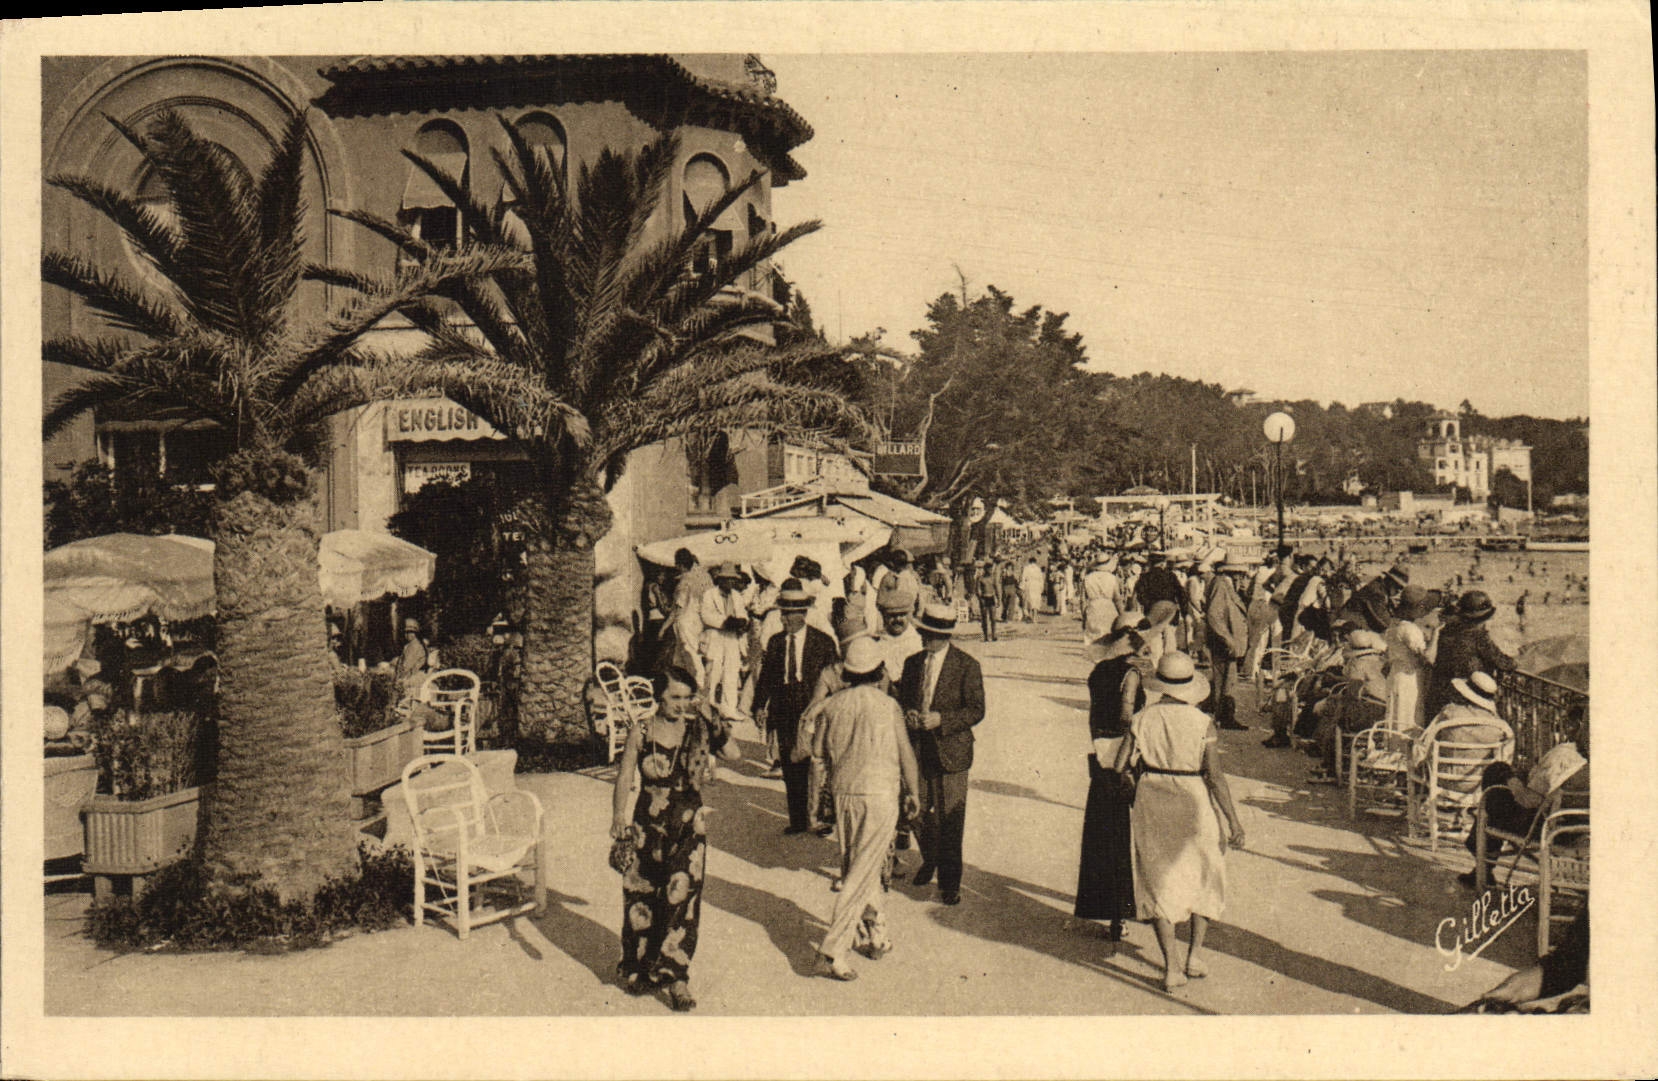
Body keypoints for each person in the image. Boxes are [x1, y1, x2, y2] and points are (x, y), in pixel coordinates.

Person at [1114, 652, 1246, 992]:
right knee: (1205, 872)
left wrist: (1134, 786)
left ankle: (1171, 967)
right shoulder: (1202, 722)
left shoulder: (1143, 718)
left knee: (1157, 878)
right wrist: (1233, 821)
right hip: (1194, 796)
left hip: (1153, 796)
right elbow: (1215, 776)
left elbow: (1119, 766)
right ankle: (1194, 955)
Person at [610, 666, 740, 1010]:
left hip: (687, 828)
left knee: (682, 900)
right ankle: (640, 967)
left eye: (687, 697)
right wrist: (617, 817)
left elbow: (734, 754)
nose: (682, 705)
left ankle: (677, 977)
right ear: (658, 698)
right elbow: (624, 776)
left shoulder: (698, 728)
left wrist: (710, 715)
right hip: (646, 827)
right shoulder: (641, 730)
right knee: (641, 896)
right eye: (675, 698)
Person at [810, 637, 923, 981]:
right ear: (879, 672)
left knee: (859, 867)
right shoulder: (888, 707)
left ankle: (876, 934)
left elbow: (817, 755)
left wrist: (817, 802)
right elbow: (906, 754)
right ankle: (833, 951)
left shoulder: (831, 706)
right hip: (879, 795)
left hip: (845, 794)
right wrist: (914, 792)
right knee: (861, 874)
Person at [895, 603, 986, 905]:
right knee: (915, 810)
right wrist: (909, 714)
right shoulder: (912, 663)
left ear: (944, 636)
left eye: (929, 635)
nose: (923, 639)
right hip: (919, 751)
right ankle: (930, 857)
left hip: (952, 754)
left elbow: (976, 710)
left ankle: (950, 883)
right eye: (922, 633)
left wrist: (942, 720)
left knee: (951, 819)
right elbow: (905, 698)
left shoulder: (967, 666)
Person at [1074, 613, 1149, 945]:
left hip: (1101, 753)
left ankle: (1110, 911)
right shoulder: (1130, 674)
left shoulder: (1098, 672)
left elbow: (1094, 716)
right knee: (1131, 831)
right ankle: (1130, 908)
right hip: (1124, 754)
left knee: (1104, 833)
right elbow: (1126, 715)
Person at [1459, 704, 1588, 888]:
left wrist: (1512, 781)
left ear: (1580, 725)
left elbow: (1529, 800)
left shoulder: (1566, 754)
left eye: (1569, 723)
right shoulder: (1593, 765)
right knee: (1503, 784)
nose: (1566, 728)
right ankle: (1483, 865)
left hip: (1540, 827)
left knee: (1497, 774)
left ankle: (1483, 866)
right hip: (1574, 832)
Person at [753, 580, 841, 835]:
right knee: (791, 763)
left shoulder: (823, 643)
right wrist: (760, 706)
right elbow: (767, 677)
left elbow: (834, 679)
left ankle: (821, 818)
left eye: (790, 614)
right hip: (784, 706)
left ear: (802, 614)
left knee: (817, 763)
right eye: (783, 613)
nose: (785, 619)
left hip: (812, 705)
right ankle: (798, 820)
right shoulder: (777, 642)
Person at [1411, 671, 1515, 806]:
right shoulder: (1501, 727)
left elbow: (1425, 746)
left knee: (1416, 749)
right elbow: (1505, 761)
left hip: (1444, 783)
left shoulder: (1448, 714)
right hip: (1479, 788)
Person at [1423, 590, 1516, 723]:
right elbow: (1503, 662)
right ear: (1483, 618)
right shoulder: (1478, 636)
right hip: (1465, 699)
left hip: (1439, 696)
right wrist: (1515, 662)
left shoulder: (1446, 631)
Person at [1203, 554, 1252, 731]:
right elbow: (1214, 614)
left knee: (1227, 679)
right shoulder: (1221, 584)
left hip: (1227, 640)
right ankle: (1224, 716)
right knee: (1225, 678)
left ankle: (1223, 714)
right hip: (1223, 641)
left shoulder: (1225, 584)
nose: (1242, 577)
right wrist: (1227, 638)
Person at [698, 562, 751, 722]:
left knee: (732, 671)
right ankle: (708, 705)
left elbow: (743, 614)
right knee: (713, 671)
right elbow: (706, 615)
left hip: (732, 637)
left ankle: (729, 708)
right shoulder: (709, 594)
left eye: (733, 580)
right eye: (728, 579)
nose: (731, 583)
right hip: (716, 635)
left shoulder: (736, 596)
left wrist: (742, 622)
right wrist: (726, 621)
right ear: (720, 580)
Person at [1384, 584, 1439, 733]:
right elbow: (1428, 657)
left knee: (1396, 715)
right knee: (1409, 717)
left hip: (1396, 674)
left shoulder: (1395, 626)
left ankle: (1395, 749)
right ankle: (1405, 752)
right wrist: (1436, 632)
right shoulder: (1409, 630)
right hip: (1409, 677)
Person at [667, 548, 713, 686]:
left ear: (680, 565)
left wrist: (664, 628)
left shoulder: (685, 581)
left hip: (687, 621)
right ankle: (686, 687)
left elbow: (678, 608)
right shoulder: (706, 576)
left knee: (690, 656)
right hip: (702, 620)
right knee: (683, 657)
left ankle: (698, 687)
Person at [1337, 563, 1409, 634]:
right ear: (1390, 581)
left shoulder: (1379, 588)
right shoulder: (1377, 592)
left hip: (1353, 624)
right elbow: (1384, 622)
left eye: (1401, 588)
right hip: (1348, 627)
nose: (1399, 590)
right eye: (1398, 586)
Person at [1081, 556, 1120, 646]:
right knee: (1107, 639)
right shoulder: (1112, 578)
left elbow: (1082, 600)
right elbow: (1117, 599)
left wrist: (1084, 617)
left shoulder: (1087, 578)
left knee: (1092, 640)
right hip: (1109, 608)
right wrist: (1122, 615)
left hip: (1093, 608)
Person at [394, 617, 429, 701]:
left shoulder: (415, 646)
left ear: (415, 633)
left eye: (411, 632)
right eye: (406, 632)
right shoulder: (409, 646)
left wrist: (398, 679)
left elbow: (407, 666)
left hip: (413, 677)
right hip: (408, 675)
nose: (408, 635)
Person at [975, 562, 1000, 642]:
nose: (990, 571)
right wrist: (980, 598)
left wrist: (999, 599)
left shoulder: (993, 578)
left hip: (991, 598)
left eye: (991, 569)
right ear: (985, 569)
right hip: (984, 598)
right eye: (988, 569)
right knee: (984, 618)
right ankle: (986, 635)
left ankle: (993, 635)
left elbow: (996, 589)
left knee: (993, 618)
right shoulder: (980, 578)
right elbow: (978, 589)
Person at [1020, 556, 1045, 622]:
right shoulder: (1038, 569)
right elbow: (1041, 579)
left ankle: (1029, 616)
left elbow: (1023, 578)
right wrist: (1041, 587)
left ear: (1029, 561)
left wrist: (1022, 587)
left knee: (1029, 600)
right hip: (1036, 585)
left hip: (1029, 585)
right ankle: (1035, 618)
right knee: (1035, 601)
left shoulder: (1026, 568)